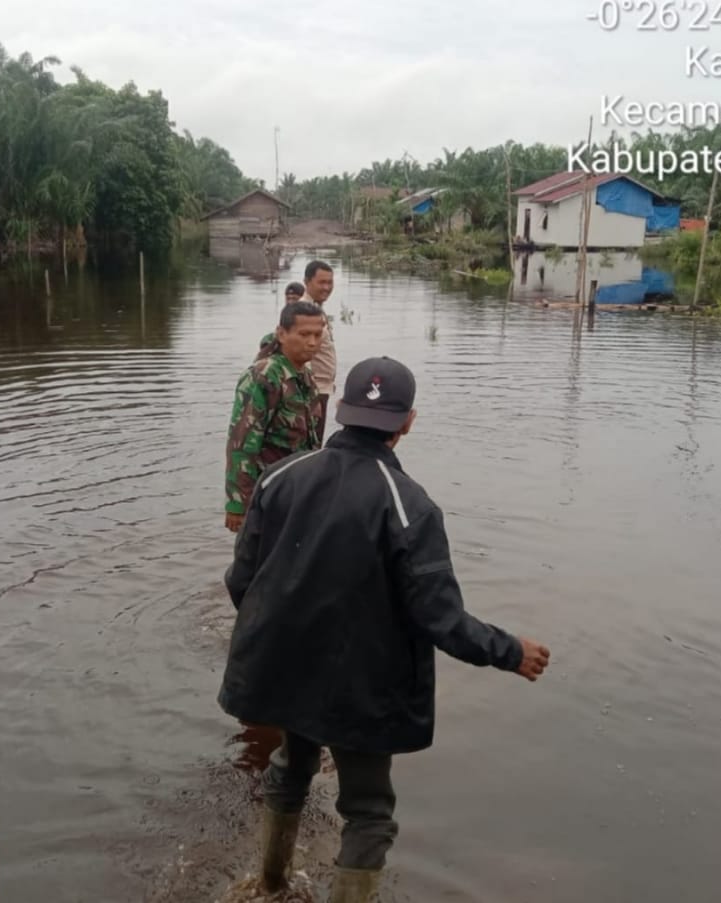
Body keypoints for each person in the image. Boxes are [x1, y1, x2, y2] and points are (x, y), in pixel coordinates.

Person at [218, 356, 551, 902]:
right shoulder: (409, 506)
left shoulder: (281, 477)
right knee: (369, 812)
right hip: (361, 683)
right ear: (408, 422)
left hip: (283, 666)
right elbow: (439, 619)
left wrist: (277, 640)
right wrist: (510, 651)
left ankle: (267, 885)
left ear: (342, 412)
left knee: (290, 767)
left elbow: (242, 581)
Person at [224, 301, 324, 534]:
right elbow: (241, 442)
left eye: (318, 335)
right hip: (268, 492)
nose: (312, 342)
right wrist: (238, 504)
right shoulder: (263, 376)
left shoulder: (306, 377)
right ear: (281, 333)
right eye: (304, 334)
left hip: (297, 491)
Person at [301, 260, 336, 443]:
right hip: (313, 391)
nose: (327, 287)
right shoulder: (304, 312)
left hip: (320, 389)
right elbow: (301, 355)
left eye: (330, 282)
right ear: (307, 282)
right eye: (321, 282)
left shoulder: (315, 308)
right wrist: (310, 396)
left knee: (313, 445)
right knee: (310, 447)